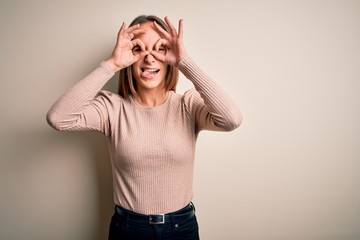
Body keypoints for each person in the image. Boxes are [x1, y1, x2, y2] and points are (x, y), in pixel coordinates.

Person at [47, 15, 242, 240]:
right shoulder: (112, 108)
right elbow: (58, 118)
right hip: (128, 229)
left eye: (159, 49)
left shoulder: (187, 105)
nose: (150, 58)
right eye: (139, 49)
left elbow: (232, 119)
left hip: (182, 228)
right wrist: (112, 64)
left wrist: (185, 62)